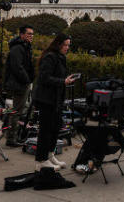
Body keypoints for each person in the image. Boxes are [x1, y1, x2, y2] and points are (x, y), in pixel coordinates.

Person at [32, 32, 77, 171]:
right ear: (59, 44)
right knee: (45, 130)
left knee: (55, 127)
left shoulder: (60, 57)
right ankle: (41, 160)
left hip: (56, 99)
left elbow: (58, 76)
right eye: (65, 45)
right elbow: (44, 78)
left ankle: (50, 154)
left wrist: (65, 80)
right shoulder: (49, 57)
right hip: (47, 99)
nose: (67, 48)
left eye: (69, 45)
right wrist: (63, 81)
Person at [4, 25, 35, 147]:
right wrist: (27, 80)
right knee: (16, 111)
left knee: (18, 110)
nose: (31, 36)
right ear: (22, 35)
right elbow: (17, 67)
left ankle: (10, 134)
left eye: (32, 34)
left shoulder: (25, 47)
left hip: (22, 82)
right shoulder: (18, 48)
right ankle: (11, 138)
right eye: (29, 34)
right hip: (19, 84)